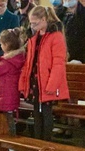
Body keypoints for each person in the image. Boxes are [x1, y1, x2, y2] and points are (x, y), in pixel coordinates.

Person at [19, 6, 69, 141]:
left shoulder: (56, 36)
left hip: (47, 82)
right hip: (35, 81)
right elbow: (29, 61)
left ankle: (46, 145)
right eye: (31, 23)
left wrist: (52, 85)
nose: (32, 26)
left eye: (35, 23)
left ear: (44, 19)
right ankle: (37, 145)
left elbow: (58, 63)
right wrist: (24, 82)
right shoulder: (34, 37)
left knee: (46, 114)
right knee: (36, 113)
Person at [0, 27, 25, 135]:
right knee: (7, 119)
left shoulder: (8, 62)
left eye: (2, 44)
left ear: (7, 45)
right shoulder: (15, 59)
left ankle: (9, 139)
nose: (0, 46)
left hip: (4, 95)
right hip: (9, 95)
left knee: (6, 121)